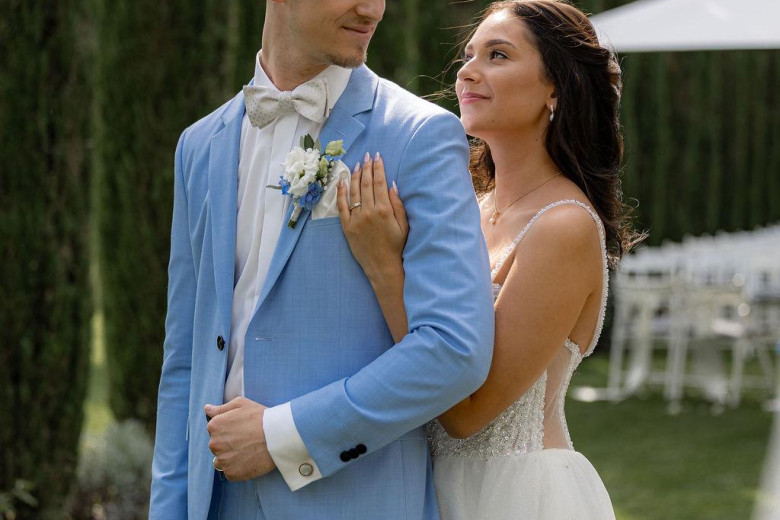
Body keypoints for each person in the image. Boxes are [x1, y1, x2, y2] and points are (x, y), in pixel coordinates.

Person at [149, 0, 495, 518]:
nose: (373, 9)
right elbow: (185, 359)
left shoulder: (419, 136)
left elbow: (454, 347)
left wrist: (282, 437)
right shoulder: (198, 146)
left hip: (352, 500)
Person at [336, 1, 643, 518]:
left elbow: (467, 413)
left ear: (556, 88)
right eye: (468, 55)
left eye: (497, 55)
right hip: (424, 488)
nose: (467, 72)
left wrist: (386, 268)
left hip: (516, 496)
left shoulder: (563, 227)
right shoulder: (466, 209)